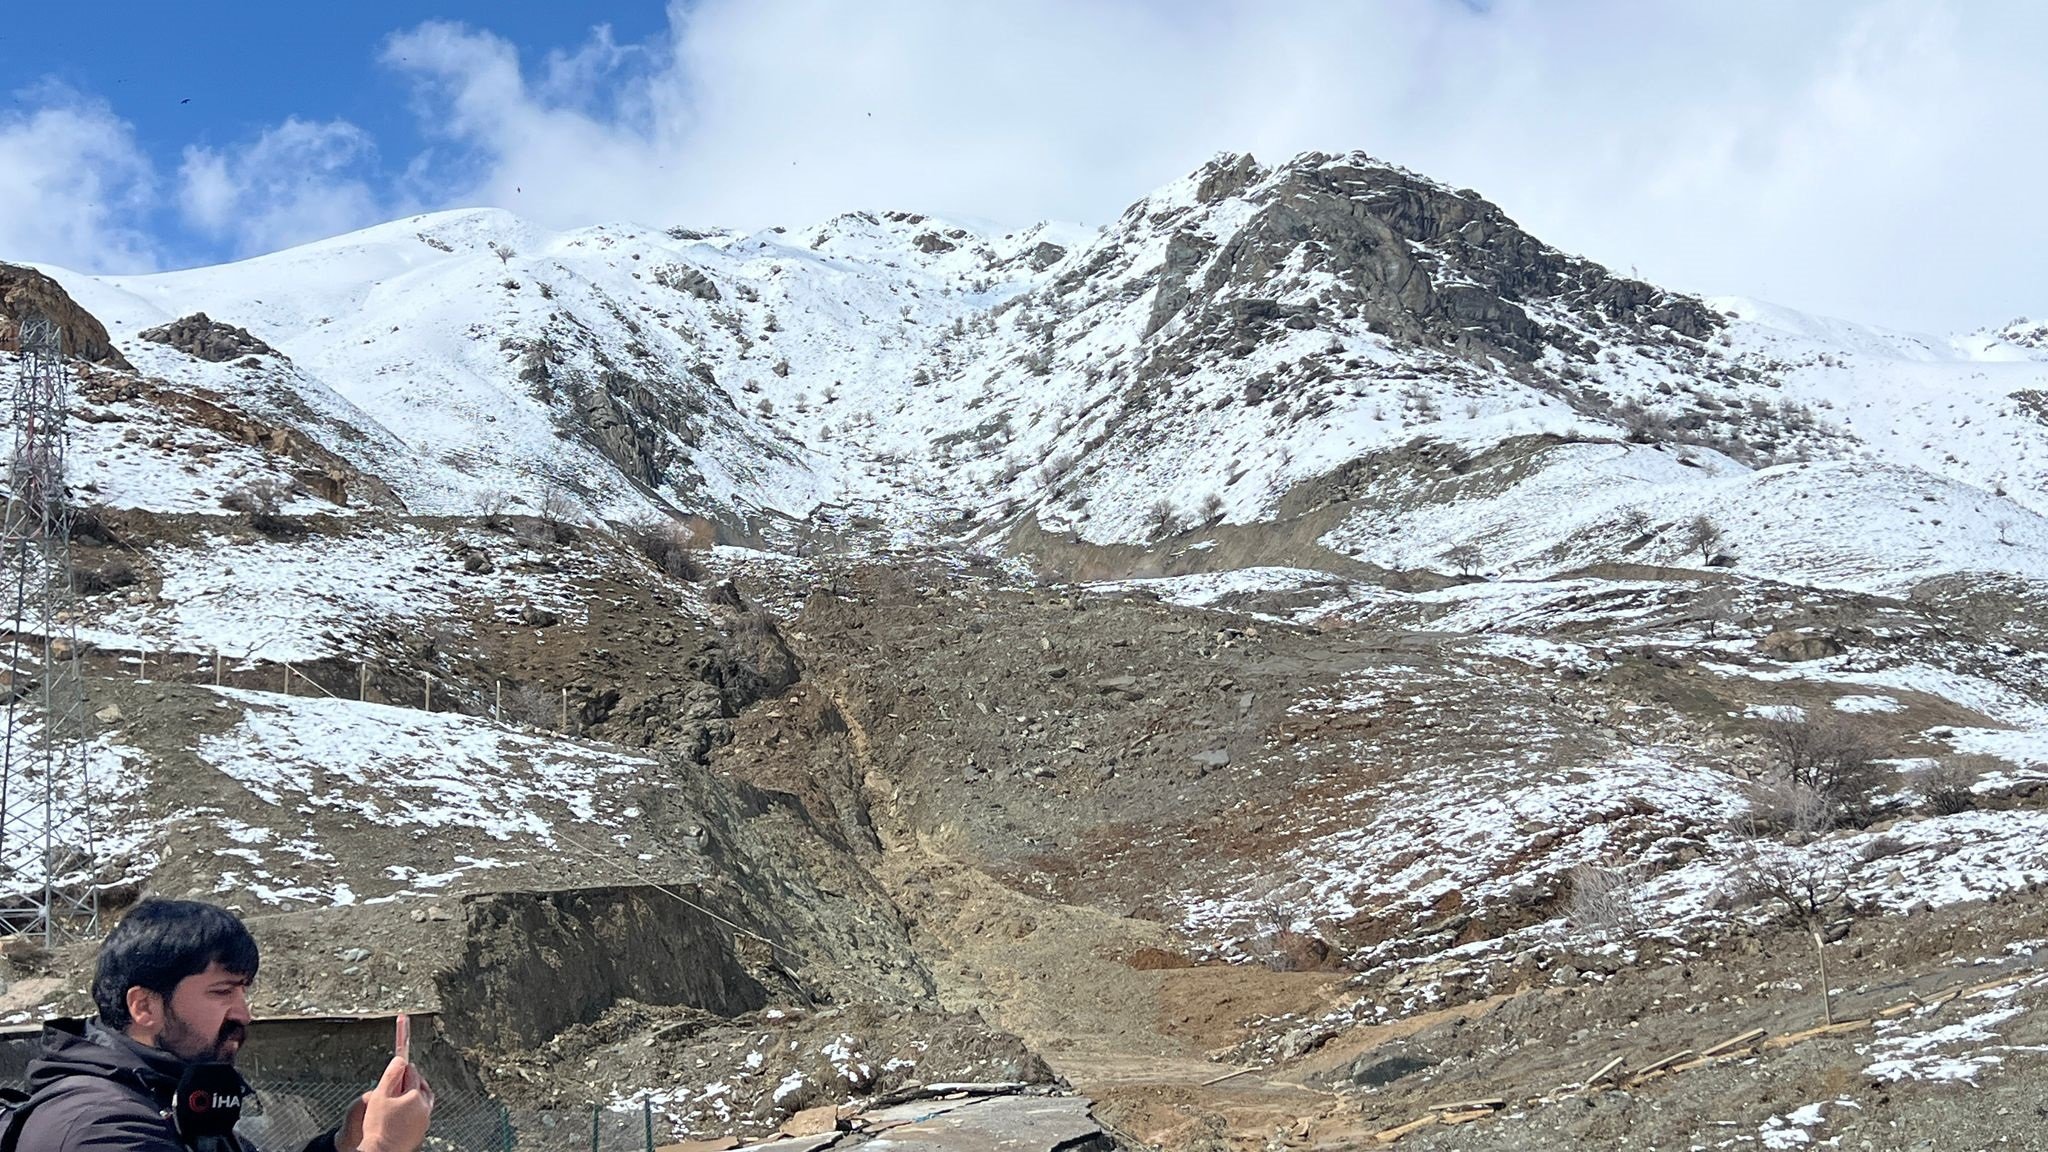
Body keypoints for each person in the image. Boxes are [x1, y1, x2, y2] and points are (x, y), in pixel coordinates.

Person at [8, 899, 433, 1152]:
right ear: (144, 1006)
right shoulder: (100, 1128)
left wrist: (345, 1142)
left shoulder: (174, 1100)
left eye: (243, 992)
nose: (243, 1014)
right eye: (221, 992)